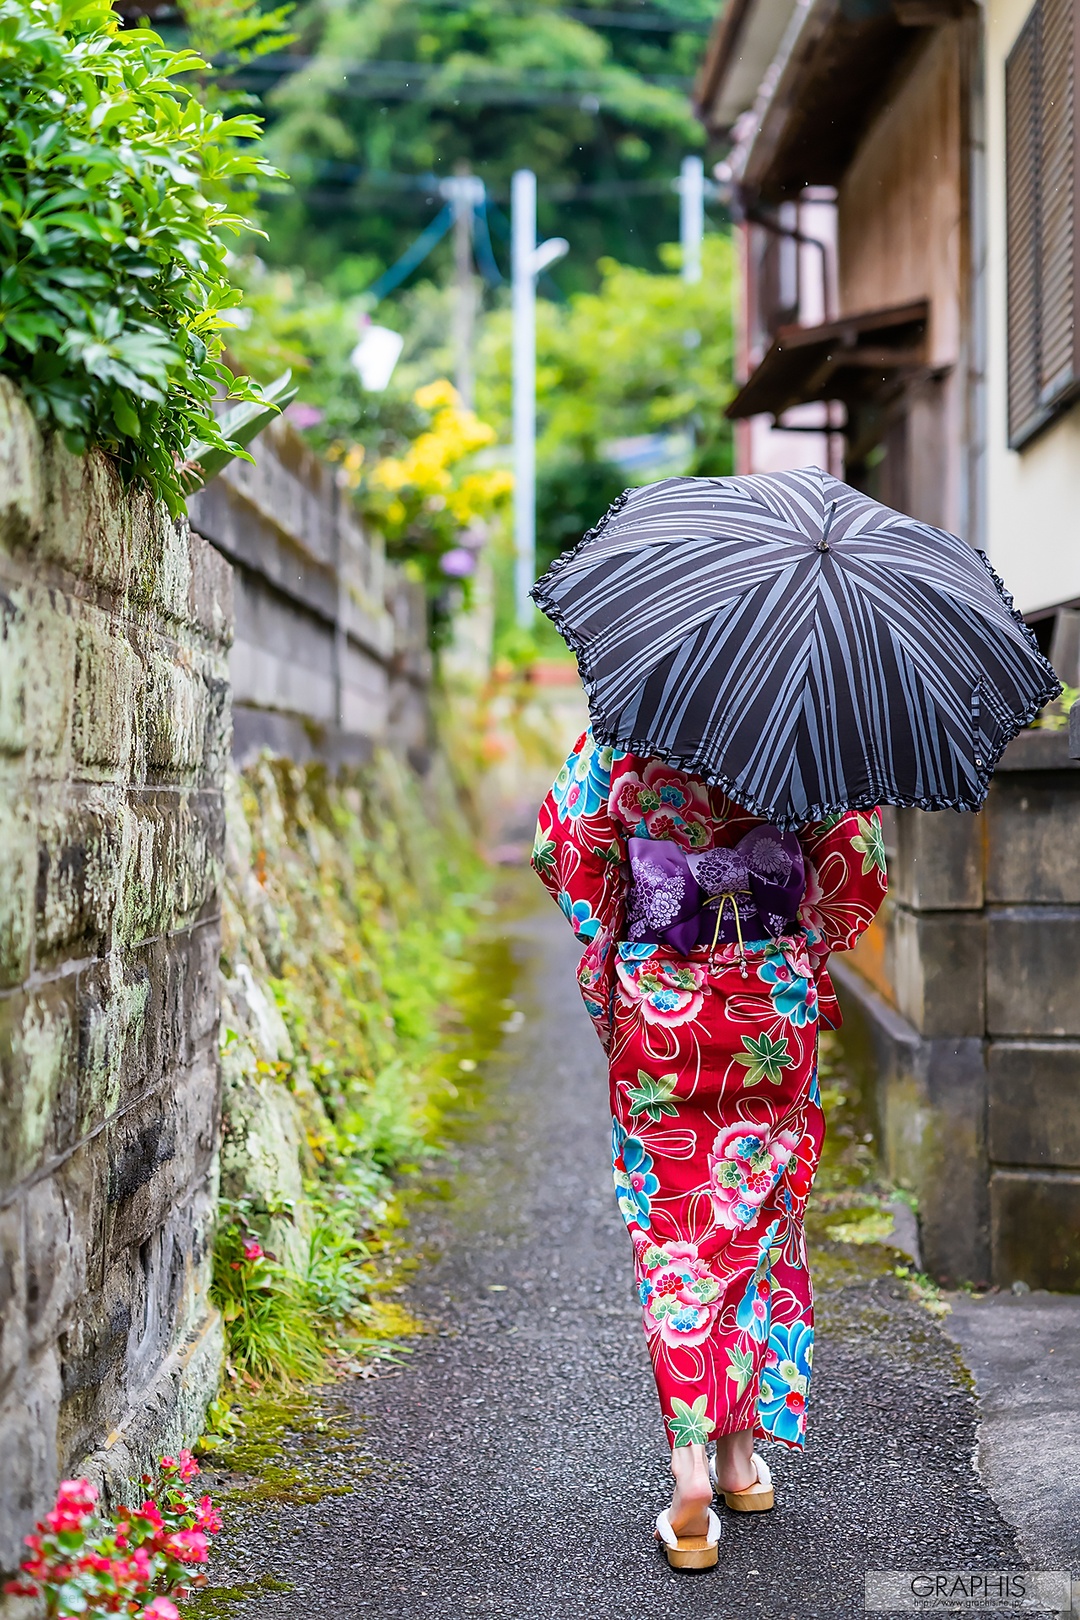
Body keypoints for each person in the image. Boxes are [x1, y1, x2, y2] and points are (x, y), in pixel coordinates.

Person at [532, 727, 887, 1569]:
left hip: (662, 1005)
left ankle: (696, 1472)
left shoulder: (624, 725)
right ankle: (739, 1460)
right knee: (756, 1219)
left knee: (676, 1235)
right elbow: (857, 862)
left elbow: (563, 849)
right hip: (767, 1001)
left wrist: (630, 946)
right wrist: (796, 947)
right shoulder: (807, 728)